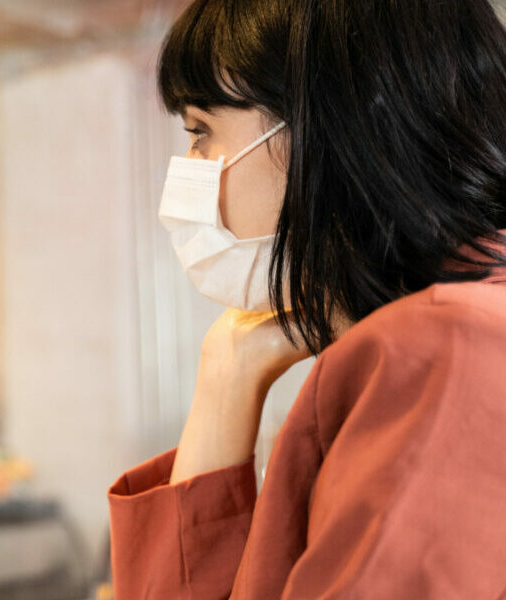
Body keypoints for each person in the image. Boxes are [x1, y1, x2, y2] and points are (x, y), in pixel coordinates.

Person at [109, 0, 506, 598]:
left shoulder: (440, 352)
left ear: (328, 129)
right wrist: (228, 374)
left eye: (200, 132)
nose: (189, 166)